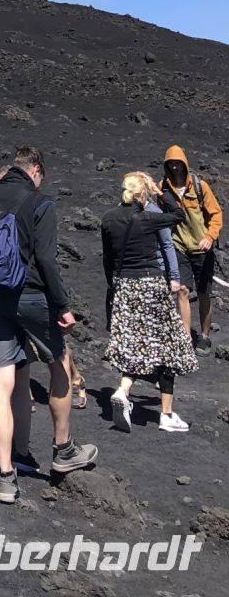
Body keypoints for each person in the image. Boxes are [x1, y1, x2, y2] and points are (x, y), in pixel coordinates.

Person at [0, 147, 97, 503]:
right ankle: (64, 450)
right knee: (59, 363)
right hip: (32, 297)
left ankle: (5, 475)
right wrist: (63, 306)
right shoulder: (40, 203)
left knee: (1, 380)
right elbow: (46, 259)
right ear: (36, 170)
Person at [103, 172, 195, 434]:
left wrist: (114, 287)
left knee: (134, 345)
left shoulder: (108, 218)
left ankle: (123, 390)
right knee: (167, 347)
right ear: (144, 192)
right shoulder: (148, 218)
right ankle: (166, 414)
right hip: (151, 285)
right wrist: (161, 190)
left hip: (124, 286)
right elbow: (179, 215)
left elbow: (107, 260)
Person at [161, 145, 221, 350]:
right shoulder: (163, 189)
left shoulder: (199, 186)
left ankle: (204, 336)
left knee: (204, 292)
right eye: (171, 164)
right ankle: (185, 339)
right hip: (179, 247)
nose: (175, 167)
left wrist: (210, 236)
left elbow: (215, 214)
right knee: (183, 290)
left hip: (202, 248)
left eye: (178, 163)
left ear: (185, 164)